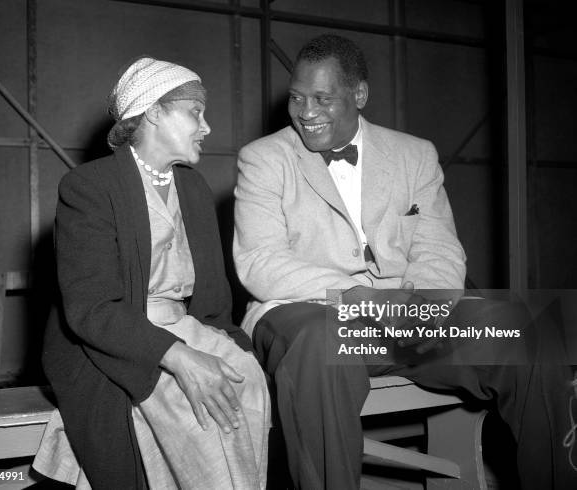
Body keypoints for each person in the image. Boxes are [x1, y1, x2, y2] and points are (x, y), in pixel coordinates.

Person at [233, 34, 577, 489]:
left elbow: (439, 249)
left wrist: (415, 307)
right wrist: (361, 299)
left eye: (322, 98)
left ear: (359, 95)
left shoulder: (416, 154)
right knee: (320, 342)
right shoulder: (263, 159)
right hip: (314, 313)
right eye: (297, 98)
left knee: (532, 332)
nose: (306, 112)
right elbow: (260, 261)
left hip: (407, 319)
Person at [33, 56, 270, 490]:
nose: (207, 126)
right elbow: (91, 309)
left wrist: (236, 349)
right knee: (196, 409)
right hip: (115, 338)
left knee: (249, 383)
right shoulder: (90, 187)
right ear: (155, 112)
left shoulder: (194, 189)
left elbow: (214, 301)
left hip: (184, 324)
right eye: (195, 111)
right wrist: (179, 357)